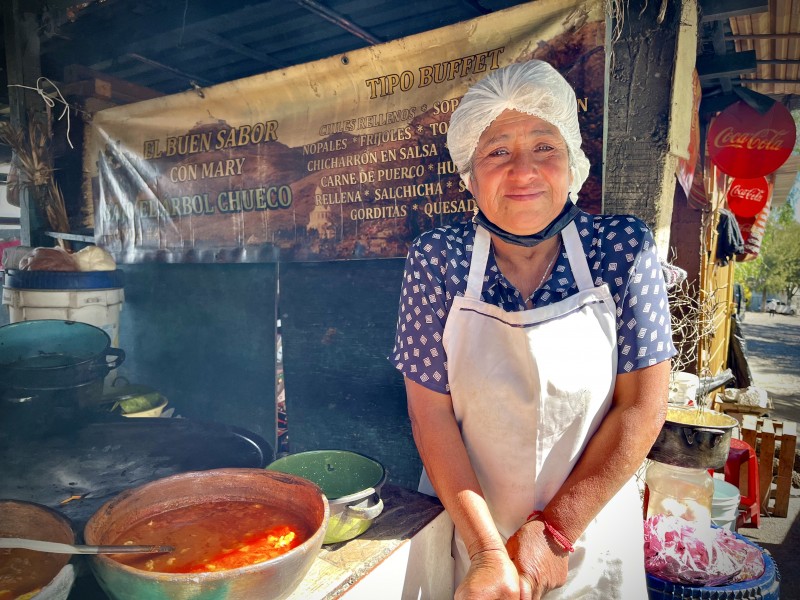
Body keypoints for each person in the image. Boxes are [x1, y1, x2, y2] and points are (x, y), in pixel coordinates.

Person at [390, 60, 675, 599]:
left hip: (586, 536)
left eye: (544, 146)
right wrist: (488, 551)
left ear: (573, 161)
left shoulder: (622, 249)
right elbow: (429, 412)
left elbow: (642, 407)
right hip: (472, 535)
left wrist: (554, 531)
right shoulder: (437, 259)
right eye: (497, 151)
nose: (522, 171)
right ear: (469, 175)